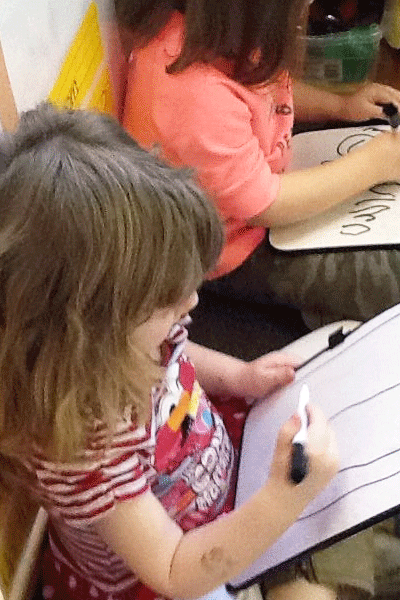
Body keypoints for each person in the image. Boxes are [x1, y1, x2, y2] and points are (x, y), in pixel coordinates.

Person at [0, 103, 340, 600]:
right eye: (167, 299)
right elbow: (175, 571)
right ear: (88, 331)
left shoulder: (130, 335)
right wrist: (280, 500)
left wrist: (239, 377)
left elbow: (179, 354)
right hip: (164, 573)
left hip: (209, 478)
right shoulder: (84, 449)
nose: (190, 302)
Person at [115, 0, 400, 326]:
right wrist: (376, 164)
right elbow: (265, 204)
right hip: (237, 248)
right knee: (387, 275)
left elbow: (266, 94)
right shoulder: (192, 93)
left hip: (255, 196)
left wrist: (339, 104)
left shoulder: (220, 31)